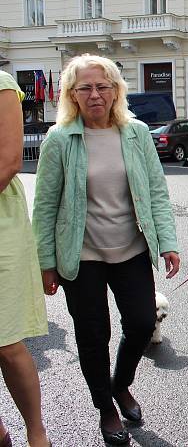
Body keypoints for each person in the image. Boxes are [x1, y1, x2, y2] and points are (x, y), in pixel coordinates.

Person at [32, 54, 180, 446]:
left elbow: (157, 193)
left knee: (142, 322)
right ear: (72, 95)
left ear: (116, 91)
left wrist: (168, 243)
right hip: (81, 257)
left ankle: (121, 383)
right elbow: (45, 205)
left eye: (102, 86)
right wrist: (46, 263)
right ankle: (106, 408)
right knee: (93, 335)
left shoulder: (136, 133)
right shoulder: (60, 139)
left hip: (131, 247)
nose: (95, 94)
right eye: (85, 87)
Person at [0, 71, 49, 447]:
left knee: (6, 342)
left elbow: (8, 162)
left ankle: (37, 434)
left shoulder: (2, 85)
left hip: (2, 225)